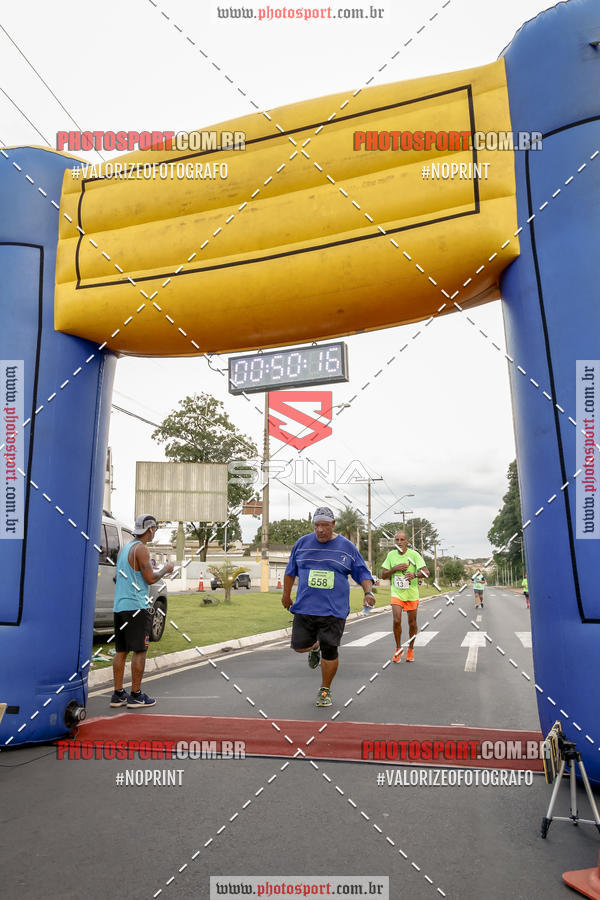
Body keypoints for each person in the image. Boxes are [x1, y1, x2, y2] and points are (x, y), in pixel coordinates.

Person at [281, 506, 374, 707]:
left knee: (330, 650)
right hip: (305, 607)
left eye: (325, 525)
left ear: (333, 525)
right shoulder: (302, 544)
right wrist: (286, 595)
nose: (321, 530)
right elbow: (290, 572)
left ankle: (325, 690)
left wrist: (368, 593)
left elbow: (362, 573)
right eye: (317, 525)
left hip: (334, 610)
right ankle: (315, 646)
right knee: (298, 647)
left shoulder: (346, 547)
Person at [110, 514, 174, 709]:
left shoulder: (125, 548)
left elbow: (117, 577)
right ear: (150, 529)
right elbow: (150, 579)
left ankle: (118, 693)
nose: (154, 532)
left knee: (121, 650)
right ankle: (136, 695)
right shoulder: (142, 549)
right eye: (154, 529)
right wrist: (166, 569)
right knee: (140, 650)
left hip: (120, 606)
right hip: (137, 607)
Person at [381, 531, 429, 663]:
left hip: (411, 594)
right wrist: (394, 569)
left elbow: (426, 572)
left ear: (407, 541)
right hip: (396, 593)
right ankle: (398, 649)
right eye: (397, 539)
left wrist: (414, 574)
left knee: (412, 623)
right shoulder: (391, 555)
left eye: (402, 539)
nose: (399, 542)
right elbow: (383, 575)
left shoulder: (414, 555)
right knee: (397, 620)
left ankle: (411, 649)